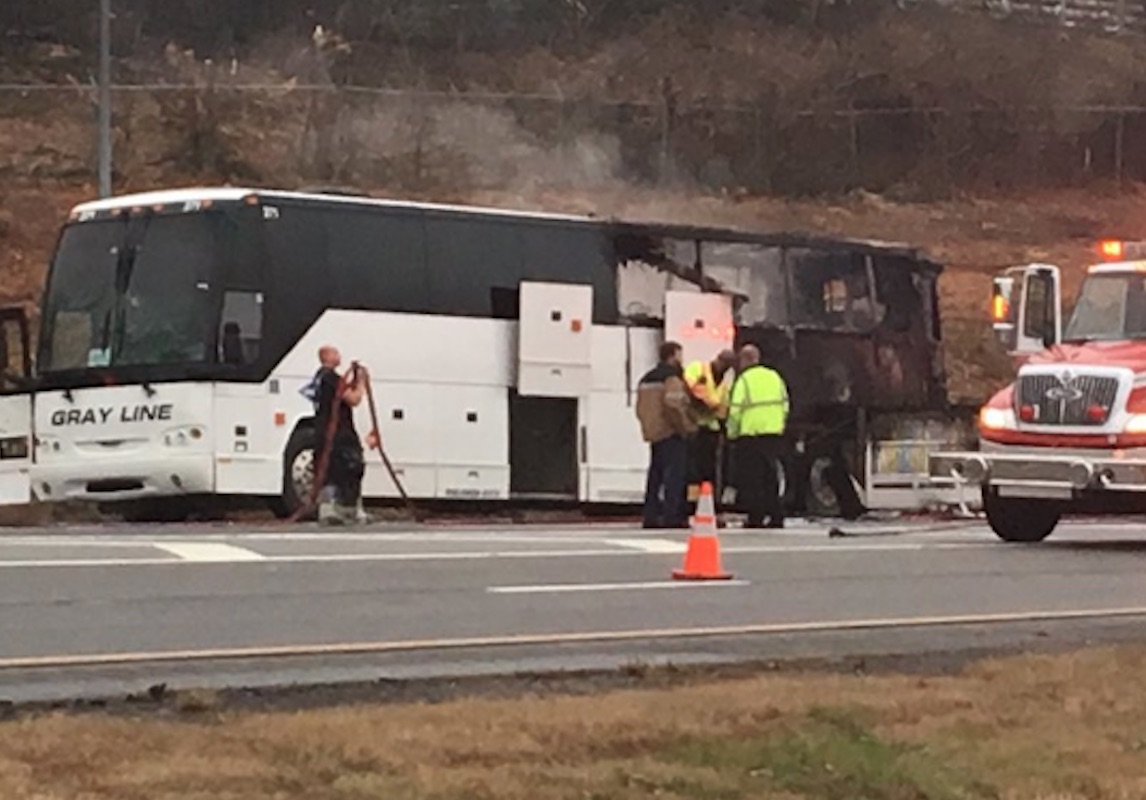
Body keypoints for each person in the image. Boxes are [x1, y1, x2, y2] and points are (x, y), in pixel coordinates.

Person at [635, 341, 697, 529]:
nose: (681, 359)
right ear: (671, 356)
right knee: (674, 477)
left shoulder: (646, 379)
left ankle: (650, 516)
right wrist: (685, 427)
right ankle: (672, 516)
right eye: (679, 355)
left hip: (654, 433)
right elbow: (674, 406)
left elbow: (640, 409)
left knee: (655, 475)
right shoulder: (671, 379)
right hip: (671, 432)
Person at [727, 344, 790, 529]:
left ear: (745, 360)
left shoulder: (744, 381)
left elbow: (735, 411)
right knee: (771, 478)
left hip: (751, 435)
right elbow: (785, 404)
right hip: (773, 434)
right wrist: (779, 424)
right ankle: (777, 516)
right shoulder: (774, 376)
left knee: (752, 480)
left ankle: (756, 517)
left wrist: (732, 433)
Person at [313, 345, 369, 525]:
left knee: (328, 468)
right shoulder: (331, 378)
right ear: (327, 357)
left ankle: (328, 508)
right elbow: (353, 399)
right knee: (351, 465)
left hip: (324, 429)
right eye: (336, 353)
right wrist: (361, 382)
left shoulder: (320, 378)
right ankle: (347, 509)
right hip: (338, 432)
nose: (340, 356)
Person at [683, 349, 737, 491]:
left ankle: (706, 499)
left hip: (711, 430)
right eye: (724, 364)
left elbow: (723, 408)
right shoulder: (698, 368)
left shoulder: (724, 384)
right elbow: (689, 389)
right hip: (693, 426)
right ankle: (691, 501)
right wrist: (708, 403)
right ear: (718, 359)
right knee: (692, 468)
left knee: (708, 468)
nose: (724, 369)